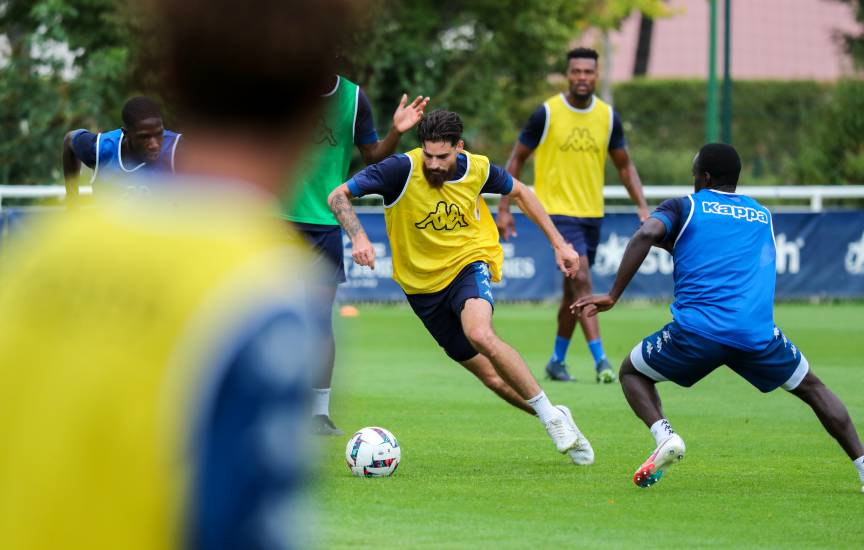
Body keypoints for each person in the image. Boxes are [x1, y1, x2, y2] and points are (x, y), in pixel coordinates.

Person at [0, 1, 356, 548]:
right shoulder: (255, 290)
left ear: (171, 75)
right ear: (315, 106)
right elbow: (242, 524)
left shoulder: (35, 256)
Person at [573, 143, 864, 493]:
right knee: (813, 389)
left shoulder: (684, 205)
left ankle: (664, 435)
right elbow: (718, 250)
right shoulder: (761, 215)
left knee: (631, 372)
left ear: (705, 176)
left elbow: (647, 233)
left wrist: (612, 295)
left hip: (697, 333)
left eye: (695, 171)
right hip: (757, 335)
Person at [327, 109, 595, 466]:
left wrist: (559, 244)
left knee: (480, 332)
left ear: (460, 148)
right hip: (422, 290)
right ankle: (555, 415)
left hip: (469, 263)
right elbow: (338, 196)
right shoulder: (399, 170)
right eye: (429, 155)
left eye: (443, 156)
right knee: (493, 379)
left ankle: (549, 417)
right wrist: (358, 236)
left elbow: (522, 193)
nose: (434, 164)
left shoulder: (478, 168)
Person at [283, 74, 429, 436]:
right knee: (264, 316)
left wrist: (396, 132)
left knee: (319, 321)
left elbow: (373, 156)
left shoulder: (354, 98)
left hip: (324, 224)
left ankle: (318, 412)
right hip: (276, 219)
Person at [497, 47, 649, 384]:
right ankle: (602, 363)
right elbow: (517, 159)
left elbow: (625, 166)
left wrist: (641, 205)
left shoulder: (608, 117)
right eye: (576, 71)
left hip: (591, 215)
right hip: (555, 214)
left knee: (572, 293)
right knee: (581, 280)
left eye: (588, 72)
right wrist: (504, 208)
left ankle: (556, 360)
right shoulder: (547, 113)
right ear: (568, 75)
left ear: (596, 74)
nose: (582, 77)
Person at [62, 96, 181, 201]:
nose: (154, 144)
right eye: (144, 137)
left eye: (159, 134)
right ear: (126, 133)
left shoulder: (177, 149)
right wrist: (72, 204)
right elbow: (69, 139)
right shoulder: (100, 149)